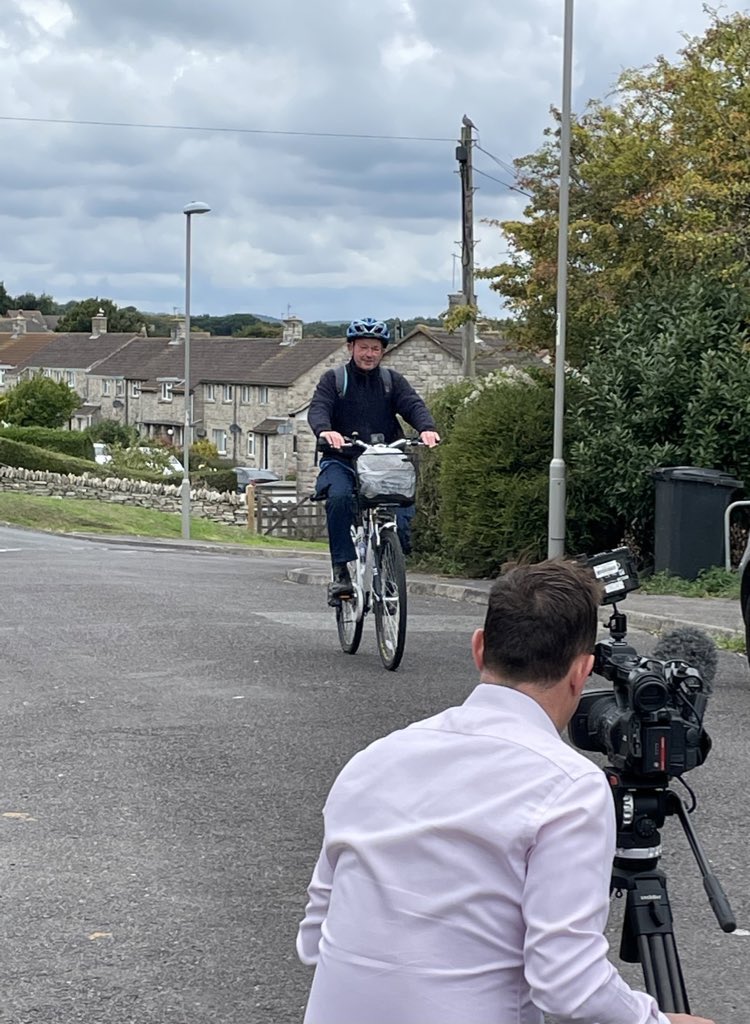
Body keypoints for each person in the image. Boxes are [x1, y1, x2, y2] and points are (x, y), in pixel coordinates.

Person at [296, 559, 715, 1024]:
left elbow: (314, 940)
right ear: (582, 671)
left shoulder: (371, 760)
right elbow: (567, 987)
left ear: (478, 648)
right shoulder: (568, 787)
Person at [308, 317, 440, 605]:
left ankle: (391, 564)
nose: (369, 354)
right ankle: (341, 571)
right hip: (343, 459)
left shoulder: (392, 382)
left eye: (375, 349)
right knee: (340, 498)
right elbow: (319, 408)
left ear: (383, 352)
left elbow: (413, 405)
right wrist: (325, 431)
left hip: (383, 461)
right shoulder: (334, 380)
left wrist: (426, 428)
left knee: (402, 506)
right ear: (350, 347)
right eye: (363, 347)